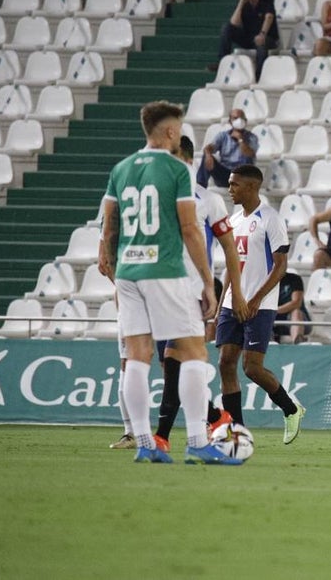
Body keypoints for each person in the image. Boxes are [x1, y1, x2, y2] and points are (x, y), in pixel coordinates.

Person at [97, 100, 240, 465]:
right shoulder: (177, 170)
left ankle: (146, 442)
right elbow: (191, 229)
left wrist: (114, 267)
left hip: (129, 273)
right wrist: (209, 283)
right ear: (170, 131)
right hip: (165, 271)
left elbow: (109, 227)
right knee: (193, 352)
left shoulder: (122, 169)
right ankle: (197, 440)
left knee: (137, 357)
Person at [153, 135, 246, 452]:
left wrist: (231, 294)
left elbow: (230, 251)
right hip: (159, 292)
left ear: (186, 161)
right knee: (171, 369)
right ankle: (215, 417)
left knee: (172, 359)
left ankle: (162, 437)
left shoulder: (208, 201)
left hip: (191, 292)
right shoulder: (159, 200)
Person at [217, 165, 306, 444]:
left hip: (260, 305)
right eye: (229, 184)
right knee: (225, 363)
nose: (230, 189)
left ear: (252, 187)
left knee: (252, 368)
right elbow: (233, 268)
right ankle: (238, 432)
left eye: (235, 185)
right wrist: (222, 305)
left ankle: (291, 409)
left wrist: (255, 300)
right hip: (233, 303)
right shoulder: (233, 221)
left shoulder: (270, 219)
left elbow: (280, 267)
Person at [209, 0, 279, 80]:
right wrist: (241, 4)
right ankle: (222, 62)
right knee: (226, 28)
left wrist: (262, 34)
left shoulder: (267, 0)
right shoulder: (244, 2)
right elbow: (234, 23)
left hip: (267, 37)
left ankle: (259, 76)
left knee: (261, 44)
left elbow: (269, 17)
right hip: (249, 37)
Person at [196, 109, 258, 189]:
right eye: (235, 118)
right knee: (206, 156)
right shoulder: (223, 136)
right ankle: (200, 188)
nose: (239, 121)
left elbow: (249, 153)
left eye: (241, 118)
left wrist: (240, 140)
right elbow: (209, 147)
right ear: (230, 121)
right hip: (225, 175)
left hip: (243, 176)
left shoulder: (252, 137)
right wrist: (208, 154)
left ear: (245, 121)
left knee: (247, 163)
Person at [275, 271, 310, 343]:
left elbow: (296, 303)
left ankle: (297, 342)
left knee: (296, 312)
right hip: (274, 321)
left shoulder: (294, 279)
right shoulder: (265, 281)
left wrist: (275, 311)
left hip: (299, 321)